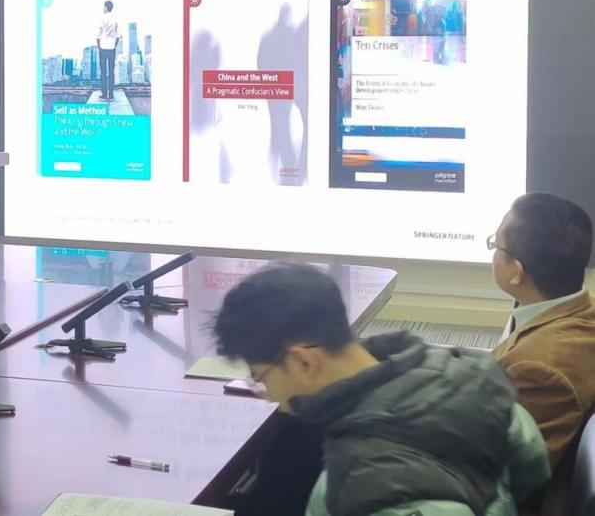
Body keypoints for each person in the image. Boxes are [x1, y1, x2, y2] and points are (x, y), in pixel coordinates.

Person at [213, 264, 549, 516]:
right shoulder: (469, 376)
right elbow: (532, 467)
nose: (268, 395)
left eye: (261, 378)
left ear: (304, 361)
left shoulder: (364, 483)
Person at [490, 192, 595, 516]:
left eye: (496, 245)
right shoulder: (579, 312)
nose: (493, 253)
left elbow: (503, 474)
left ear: (516, 272)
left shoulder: (540, 370)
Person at [96, 0, 119, 101]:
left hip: (103, 47)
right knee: (111, 71)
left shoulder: (102, 18)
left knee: (103, 72)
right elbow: (118, 35)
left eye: (104, 7)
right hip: (111, 48)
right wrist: (114, 45)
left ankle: (104, 94)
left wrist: (99, 45)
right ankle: (111, 94)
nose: (103, 8)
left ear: (106, 7)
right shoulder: (115, 19)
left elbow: (98, 34)